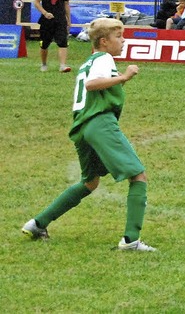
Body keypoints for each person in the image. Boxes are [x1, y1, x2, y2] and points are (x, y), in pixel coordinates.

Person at [22, 18, 155, 251]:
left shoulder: (88, 62)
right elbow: (93, 85)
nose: (123, 40)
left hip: (82, 126)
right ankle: (130, 240)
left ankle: (37, 223)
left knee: (90, 182)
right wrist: (124, 76)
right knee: (138, 176)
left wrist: (117, 82)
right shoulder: (104, 58)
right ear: (104, 41)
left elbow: (95, 87)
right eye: (119, 36)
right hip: (100, 123)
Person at [35, 0, 72, 72]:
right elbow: (36, 2)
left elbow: (66, 4)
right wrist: (45, 13)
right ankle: (44, 64)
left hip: (60, 19)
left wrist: (68, 20)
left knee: (62, 42)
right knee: (44, 43)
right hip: (46, 20)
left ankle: (62, 65)